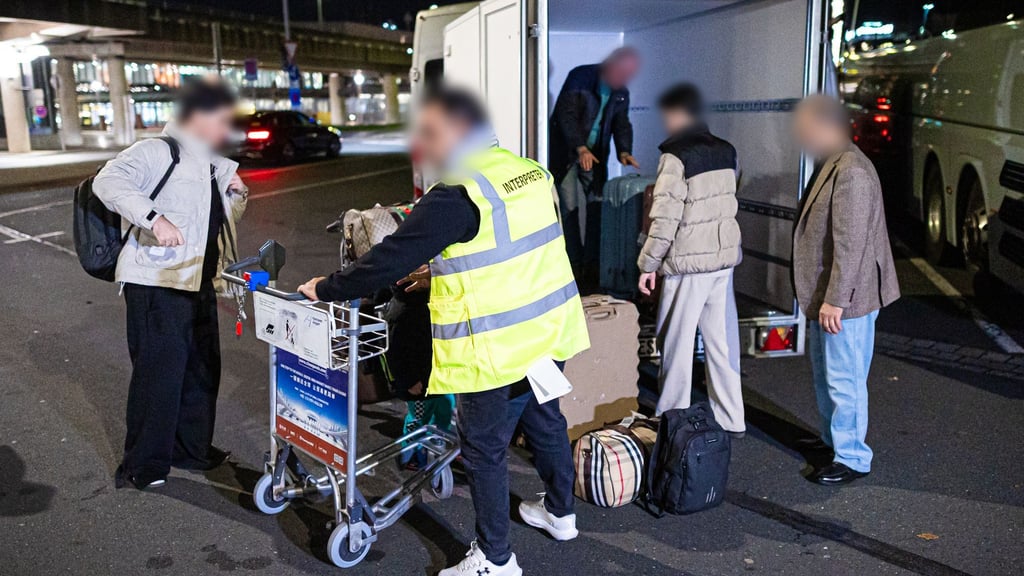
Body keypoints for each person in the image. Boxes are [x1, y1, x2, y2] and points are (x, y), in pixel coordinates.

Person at [298, 87, 590, 576]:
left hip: (495, 347)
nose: (425, 146)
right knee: (546, 422)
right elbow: (510, 249)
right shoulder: (528, 172)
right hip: (546, 331)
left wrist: (325, 288)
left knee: (484, 451)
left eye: (432, 134)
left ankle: (495, 560)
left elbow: (387, 259)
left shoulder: (457, 193)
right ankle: (561, 513)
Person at [93, 78, 248, 490]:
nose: (226, 127)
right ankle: (143, 466)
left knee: (201, 369)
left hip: (196, 279)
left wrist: (234, 193)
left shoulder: (211, 163)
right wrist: (154, 219)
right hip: (156, 282)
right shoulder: (157, 150)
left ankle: (190, 449)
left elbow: (212, 225)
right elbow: (107, 182)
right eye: (219, 118)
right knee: (158, 375)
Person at [791, 95, 900, 486]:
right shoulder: (836, 162)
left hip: (846, 299)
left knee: (845, 377)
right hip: (832, 294)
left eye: (806, 128)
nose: (802, 136)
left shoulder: (851, 170)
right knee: (828, 375)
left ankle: (853, 457)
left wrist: (836, 299)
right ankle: (834, 441)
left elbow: (850, 243)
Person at [636, 84, 745, 434]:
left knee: (677, 344)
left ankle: (672, 418)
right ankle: (731, 418)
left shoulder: (676, 156)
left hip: (688, 266)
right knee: (722, 343)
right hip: (722, 263)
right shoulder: (726, 151)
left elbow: (664, 218)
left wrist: (648, 264)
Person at [550, 46, 641, 287]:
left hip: (596, 156)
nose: (624, 78)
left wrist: (624, 150)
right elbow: (565, 115)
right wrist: (580, 147)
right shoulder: (580, 77)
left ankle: (592, 268)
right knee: (569, 210)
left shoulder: (621, 91)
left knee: (597, 209)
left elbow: (622, 123)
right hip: (568, 155)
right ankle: (573, 268)